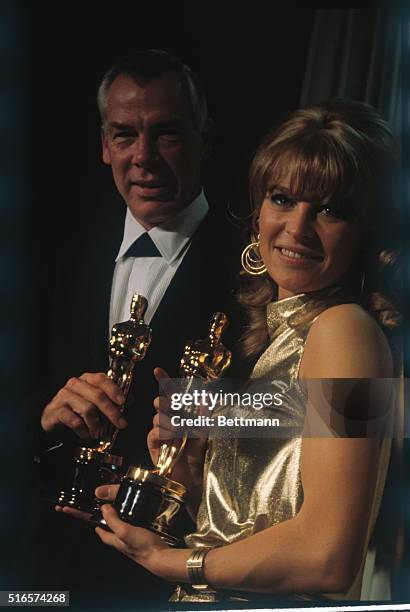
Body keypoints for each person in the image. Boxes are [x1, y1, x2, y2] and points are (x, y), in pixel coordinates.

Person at [92, 99, 402, 603]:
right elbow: (258, 528)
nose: (297, 228)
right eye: (282, 199)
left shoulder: (345, 333)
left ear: (367, 232)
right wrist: (196, 482)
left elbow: (328, 559)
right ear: (258, 208)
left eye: (330, 210)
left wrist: (167, 561)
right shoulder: (281, 336)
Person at [19, 50, 239, 609]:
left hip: (169, 574)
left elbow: (338, 415)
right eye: (124, 136)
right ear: (103, 144)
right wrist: (42, 417)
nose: (144, 158)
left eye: (166, 134)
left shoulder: (259, 263)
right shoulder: (51, 249)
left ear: (204, 138)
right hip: (40, 569)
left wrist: (225, 417)